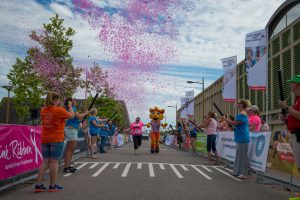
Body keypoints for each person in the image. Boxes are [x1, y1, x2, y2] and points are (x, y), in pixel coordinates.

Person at [35, 92, 74, 193]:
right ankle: (52, 186)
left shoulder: (43, 110)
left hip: (45, 138)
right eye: (59, 100)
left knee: (45, 161)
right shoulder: (59, 110)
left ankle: (38, 185)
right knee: (54, 162)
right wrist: (70, 106)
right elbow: (72, 116)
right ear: (55, 100)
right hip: (56, 138)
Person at [279, 74, 300, 172]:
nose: (290, 85)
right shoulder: (297, 99)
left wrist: (287, 108)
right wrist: (285, 117)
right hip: (295, 134)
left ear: (297, 84)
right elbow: (294, 115)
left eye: (292, 82)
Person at [63, 98, 89, 173]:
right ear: (70, 102)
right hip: (71, 130)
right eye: (74, 100)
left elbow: (79, 118)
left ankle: (68, 165)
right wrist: (86, 113)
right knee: (70, 149)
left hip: (73, 130)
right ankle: (66, 167)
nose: (75, 101)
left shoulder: (72, 108)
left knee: (72, 149)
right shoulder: (72, 108)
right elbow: (79, 116)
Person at [226, 99, 250, 179]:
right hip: (240, 136)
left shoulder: (242, 114)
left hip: (243, 137)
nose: (237, 104)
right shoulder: (241, 114)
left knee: (242, 156)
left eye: (238, 103)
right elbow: (237, 125)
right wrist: (233, 128)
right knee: (239, 155)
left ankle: (244, 173)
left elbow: (234, 123)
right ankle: (237, 171)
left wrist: (227, 120)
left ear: (242, 105)